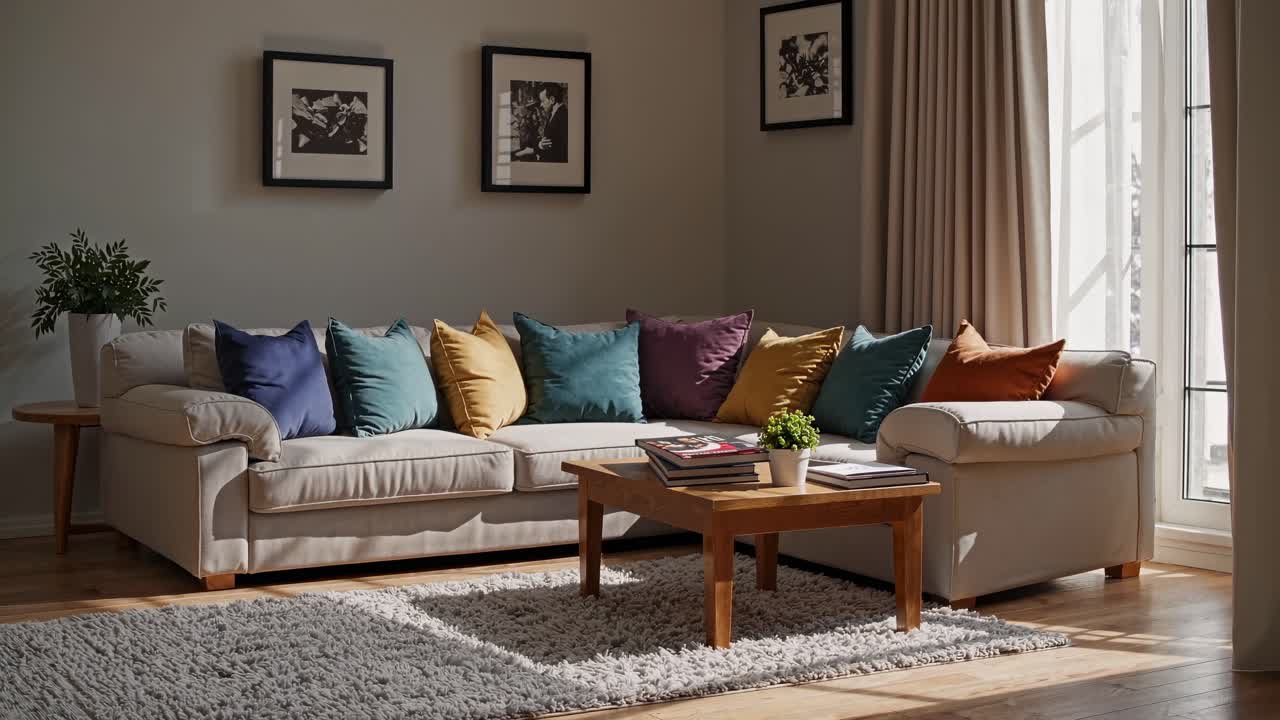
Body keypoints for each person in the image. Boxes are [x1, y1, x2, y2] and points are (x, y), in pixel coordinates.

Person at [537, 84, 568, 163]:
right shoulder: (553, 113)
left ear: (552, 100)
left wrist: (540, 146)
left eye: (543, 101)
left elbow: (560, 147)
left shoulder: (563, 116)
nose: (541, 104)